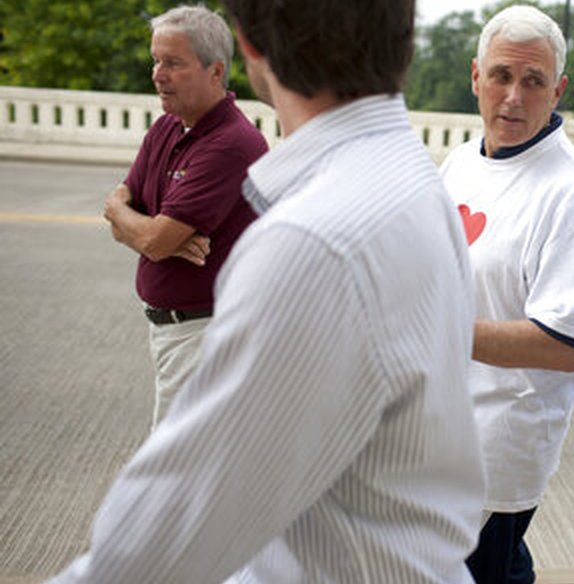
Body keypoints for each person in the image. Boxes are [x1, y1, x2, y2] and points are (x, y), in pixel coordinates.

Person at [47, 0, 486, 582]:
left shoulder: (312, 241)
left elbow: (168, 535)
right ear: (404, 38)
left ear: (247, 45)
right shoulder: (413, 177)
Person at [438, 5, 574, 583]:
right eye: (501, 76)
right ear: (475, 77)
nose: (514, 96)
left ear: (558, 90)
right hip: (433, 435)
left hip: (496, 452)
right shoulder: (459, 163)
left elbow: (563, 344)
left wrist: (437, 331)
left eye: (533, 81)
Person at [102, 5, 267, 431]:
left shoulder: (233, 143)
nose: (158, 73)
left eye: (173, 63)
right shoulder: (166, 128)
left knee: (176, 478)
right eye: (157, 60)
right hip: (173, 331)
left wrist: (148, 231)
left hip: (204, 335)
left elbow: (155, 240)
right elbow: (124, 203)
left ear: (216, 71)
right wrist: (132, 219)